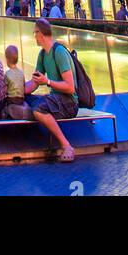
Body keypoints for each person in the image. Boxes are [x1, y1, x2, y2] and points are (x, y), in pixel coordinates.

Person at [25, 19, 78, 161]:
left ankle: (66, 145)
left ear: (40, 33)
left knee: (38, 108)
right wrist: (15, 90)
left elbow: (70, 87)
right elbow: (33, 84)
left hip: (68, 102)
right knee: (27, 100)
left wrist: (47, 81)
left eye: (35, 33)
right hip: (55, 99)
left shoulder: (59, 52)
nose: (34, 36)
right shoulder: (42, 54)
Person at [2, 45, 31, 120]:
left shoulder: (7, 74)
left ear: (7, 59)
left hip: (11, 100)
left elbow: (5, 90)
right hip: (20, 100)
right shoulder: (21, 73)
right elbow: (23, 86)